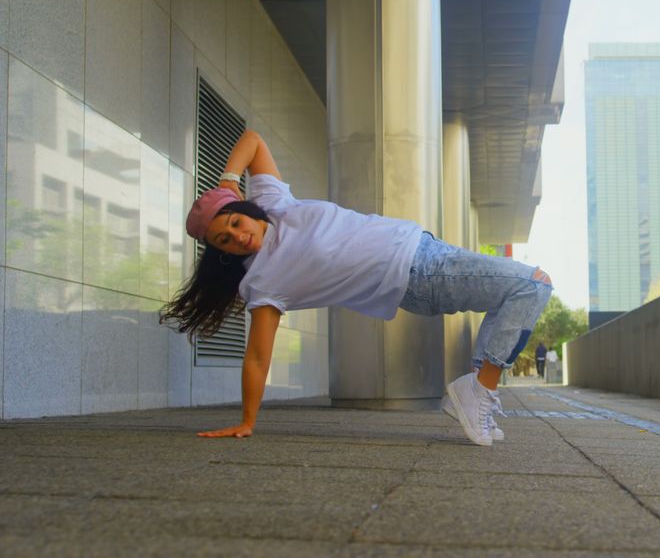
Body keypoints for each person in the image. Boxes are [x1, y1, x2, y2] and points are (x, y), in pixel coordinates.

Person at [160, 129, 552, 447]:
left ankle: (476, 391)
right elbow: (258, 357)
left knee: (517, 292)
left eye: (232, 223)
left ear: (242, 210)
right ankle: (478, 390)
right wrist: (247, 420)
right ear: (222, 255)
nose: (237, 237)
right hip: (415, 272)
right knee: (532, 284)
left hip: (423, 246)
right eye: (224, 241)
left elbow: (253, 139)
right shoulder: (263, 278)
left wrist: (228, 181)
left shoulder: (274, 202)